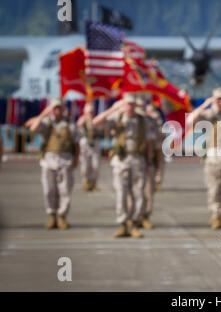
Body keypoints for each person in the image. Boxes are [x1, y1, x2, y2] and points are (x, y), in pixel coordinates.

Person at [93, 93, 153, 238]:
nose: (130, 107)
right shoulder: (117, 118)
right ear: (123, 104)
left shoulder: (143, 120)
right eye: (127, 104)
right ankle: (123, 224)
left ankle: (133, 223)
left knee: (138, 194)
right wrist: (112, 109)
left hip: (138, 159)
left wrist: (149, 162)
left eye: (132, 104)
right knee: (121, 193)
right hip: (121, 160)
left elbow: (149, 141)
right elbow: (96, 122)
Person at [186, 87, 221, 229]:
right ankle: (216, 215)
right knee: (214, 188)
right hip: (213, 157)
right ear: (214, 100)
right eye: (218, 99)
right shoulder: (208, 115)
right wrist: (204, 105)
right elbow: (190, 120)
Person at [27, 98, 80, 230]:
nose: (57, 110)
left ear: (63, 109)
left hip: (65, 161)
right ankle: (52, 216)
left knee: (65, 190)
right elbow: (32, 128)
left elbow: (76, 143)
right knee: (49, 190)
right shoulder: (47, 123)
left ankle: (62, 216)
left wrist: (76, 160)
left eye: (59, 107)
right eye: (54, 108)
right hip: (49, 161)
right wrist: (44, 114)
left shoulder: (70, 124)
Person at [136, 96, 158, 229]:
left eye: (142, 107)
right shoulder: (126, 120)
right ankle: (134, 217)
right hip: (133, 159)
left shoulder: (150, 122)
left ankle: (145, 216)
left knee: (148, 191)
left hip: (147, 161)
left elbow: (156, 145)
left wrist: (155, 164)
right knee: (133, 191)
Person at [77, 102, 103, 191]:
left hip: (95, 143)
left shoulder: (96, 119)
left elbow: (101, 128)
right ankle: (86, 182)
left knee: (96, 165)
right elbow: (79, 124)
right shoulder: (83, 119)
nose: (90, 113)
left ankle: (94, 183)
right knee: (85, 165)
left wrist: (94, 121)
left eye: (92, 112)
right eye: (89, 112)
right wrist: (85, 117)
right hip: (85, 144)